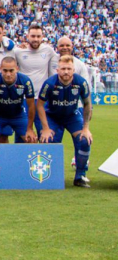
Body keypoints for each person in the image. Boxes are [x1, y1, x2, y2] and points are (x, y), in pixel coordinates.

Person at [37, 55, 93, 187]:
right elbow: (39, 105)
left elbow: (87, 104)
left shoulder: (81, 82)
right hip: (52, 116)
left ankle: (80, 176)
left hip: (71, 116)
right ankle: (50, 177)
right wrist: (45, 128)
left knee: (84, 140)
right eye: (63, 69)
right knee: (47, 140)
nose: (66, 72)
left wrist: (86, 128)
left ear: (74, 70)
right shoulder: (49, 84)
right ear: (57, 70)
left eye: (69, 69)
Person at [14, 23, 59, 132]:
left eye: (38, 36)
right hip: (23, 98)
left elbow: (59, 61)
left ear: (42, 37)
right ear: (27, 36)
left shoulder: (48, 51)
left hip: (42, 99)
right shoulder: (18, 52)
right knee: (23, 133)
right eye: (33, 36)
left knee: (44, 132)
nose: (35, 39)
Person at [0, 57, 37, 144]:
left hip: (18, 115)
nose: (8, 74)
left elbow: (31, 105)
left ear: (17, 69)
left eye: (11, 70)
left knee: (31, 140)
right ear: (0, 69)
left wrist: (30, 129)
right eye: (5, 71)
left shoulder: (25, 81)